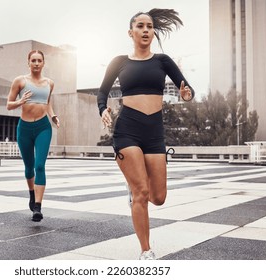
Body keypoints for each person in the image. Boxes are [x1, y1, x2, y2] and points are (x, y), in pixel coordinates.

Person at [97, 9, 194, 260]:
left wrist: (187, 95)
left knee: (158, 197)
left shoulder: (163, 61)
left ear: (153, 32)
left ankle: (134, 188)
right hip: (127, 128)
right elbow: (102, 92)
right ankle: (146, 250)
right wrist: (102, 110)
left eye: (149, 27)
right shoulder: (119, 61)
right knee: (141, 193)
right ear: (131, 32)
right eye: (140, 26)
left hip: (154, 132)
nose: (146, 30)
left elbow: (187, 88)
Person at [7, 50, 60, 222]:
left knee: (40, 166)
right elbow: (8, 105)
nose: (36, 63)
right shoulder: (20, 81)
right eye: (33, 60)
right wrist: (20, 102)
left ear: (44, 63)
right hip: (25, 128)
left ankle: (37, 206)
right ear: (28, 62)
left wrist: (53, 116)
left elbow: (48, 103)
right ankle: (32, 193)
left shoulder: (49, 83)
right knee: (29, 167)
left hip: (43, 127)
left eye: (39, 61)